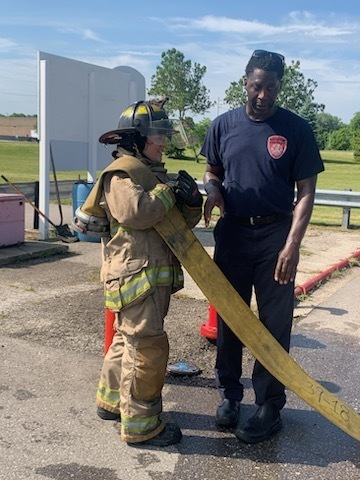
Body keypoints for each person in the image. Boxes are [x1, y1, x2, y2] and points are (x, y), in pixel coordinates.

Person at [201, 50, 324, 444]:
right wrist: (213, 190)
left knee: (274, 324)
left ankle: (269, 406)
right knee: (230, 319)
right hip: (233, 234)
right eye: (257, 85)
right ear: (244, 83)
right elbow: (212, 170)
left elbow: (306, 191)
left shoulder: (296, 129)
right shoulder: (222, 125)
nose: (263, 94)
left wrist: (292, 245)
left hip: (276, 238)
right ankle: (229, 396)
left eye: (271, 87)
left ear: (278, 87)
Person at [94, 98, 203, 447]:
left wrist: (190, 201)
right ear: (138, 139)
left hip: (146, 278)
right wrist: (168, 193)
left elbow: (177, 224)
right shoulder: (122, 174)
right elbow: (139, 213)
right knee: (147, 349)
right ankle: (142, 427)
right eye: (158, 136)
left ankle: (111, 402)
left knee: (127, 340)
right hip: (135, 279)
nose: (164, 142)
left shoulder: (152, 175)